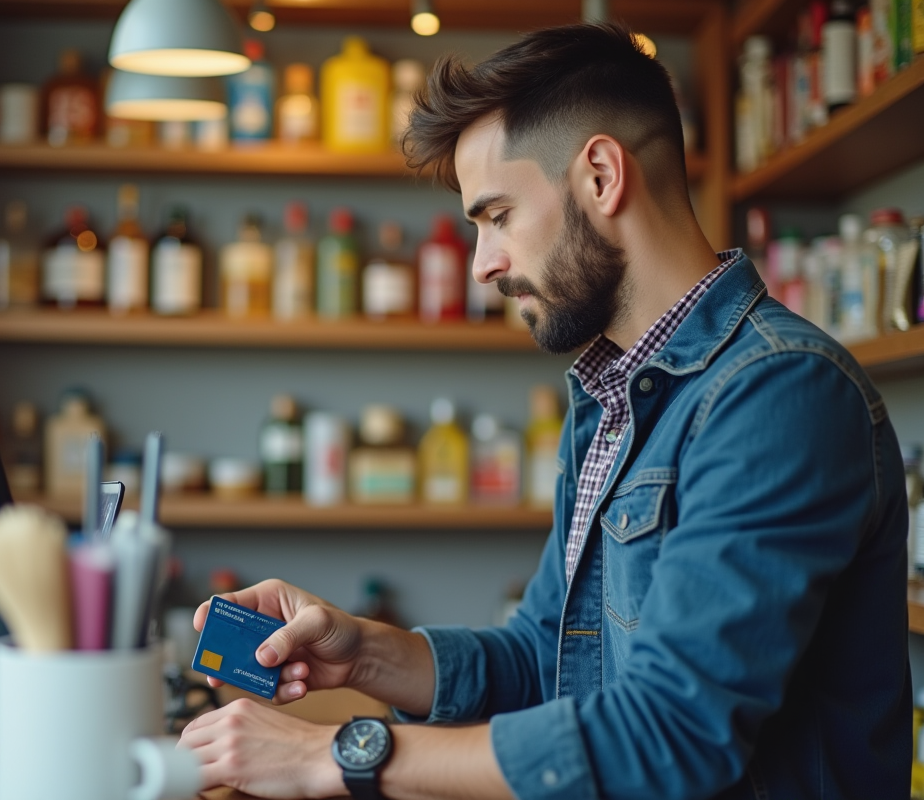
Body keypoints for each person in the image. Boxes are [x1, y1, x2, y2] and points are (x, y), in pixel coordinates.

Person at [178, 23, 910, 799]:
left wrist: (334, 755)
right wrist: (363, 655)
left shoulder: (778, 393)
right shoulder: (611, 395)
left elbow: (673, 733)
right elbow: (545, 655)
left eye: (496, 216)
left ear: (600, 175)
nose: (484, 264)